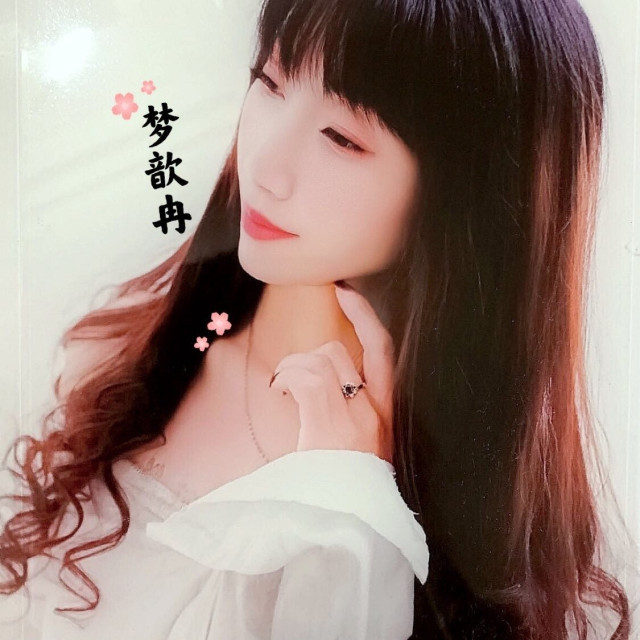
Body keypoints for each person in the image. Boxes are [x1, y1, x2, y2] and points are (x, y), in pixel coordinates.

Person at [0, 0, 633, 637]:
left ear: (468, 199)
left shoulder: (497, 534)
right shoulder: (111, 361)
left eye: (342, 138)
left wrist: (348, 500)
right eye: (270, 83)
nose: (265, 168)